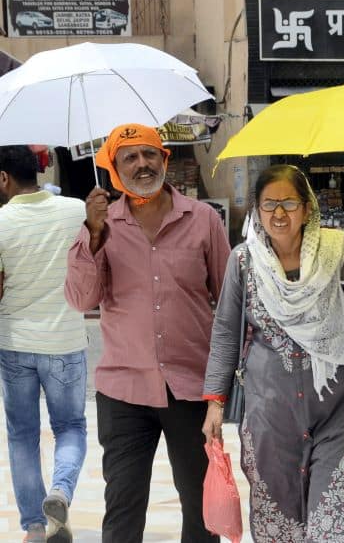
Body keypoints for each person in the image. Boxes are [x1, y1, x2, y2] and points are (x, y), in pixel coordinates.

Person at [201, 164, 344, 542]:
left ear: (307, 208)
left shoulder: (338, 251)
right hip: (270, 414)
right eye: (269, 204)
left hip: (340, 408)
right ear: (257, 211)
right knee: (278, 527)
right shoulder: (243, 261)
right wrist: (215, 403)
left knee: (331, 527)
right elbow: (225, 332)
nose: (279, 214)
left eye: (289, 202)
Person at [64, 124, 230, 543]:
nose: (142, 164)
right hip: (124, 390)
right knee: (122, 507)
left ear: (165, 160)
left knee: (201, 506)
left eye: (149, 154)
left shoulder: (204, 220)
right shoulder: (98, 227)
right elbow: (82, 299)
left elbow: (230, 301)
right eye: (130, 157)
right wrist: (94, 235)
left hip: (193, 387)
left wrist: (226, 385)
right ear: (115, 170)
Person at [0, 145, 88, 543]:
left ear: (4, 178)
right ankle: (61, 491)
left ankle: (35, 528)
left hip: (14, 341)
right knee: (70, 427)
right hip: (65, 341)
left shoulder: (1, 221)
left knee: (22, 434)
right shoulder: (75, 210)